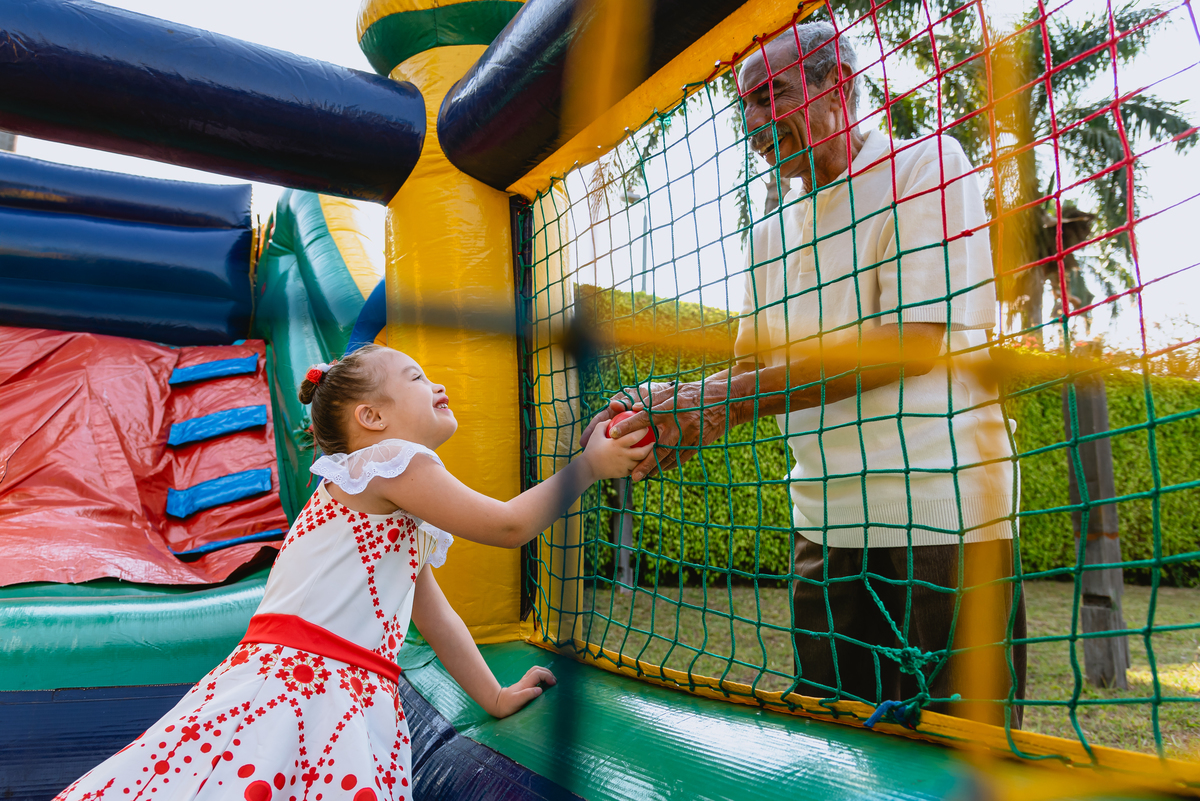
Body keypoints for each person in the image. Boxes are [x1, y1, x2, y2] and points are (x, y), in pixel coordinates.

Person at [581, 22, 1025, 726]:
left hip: (943, 524)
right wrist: (668, 415)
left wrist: (714, 399)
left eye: (772, 95)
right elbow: (751, 368)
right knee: (836, 757)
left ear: (837, 89)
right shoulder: (767, 228)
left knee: (958, 758)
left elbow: (909, 342)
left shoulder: (927, 163)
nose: (755, 123)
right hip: (822, 529)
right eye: (746, 106)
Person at [57, 344, 654, 801]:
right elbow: (505, 527)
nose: (437, 383)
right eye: (417, 378)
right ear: (371, 417)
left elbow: (434, 614)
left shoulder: (376, 494)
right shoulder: (387, 463)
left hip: (327, 685)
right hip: (306, 682)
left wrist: (493, 696)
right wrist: (588, 467)